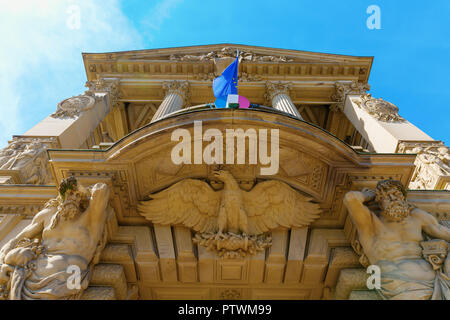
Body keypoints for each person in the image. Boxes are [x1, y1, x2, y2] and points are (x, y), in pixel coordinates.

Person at [0, 177, 110, 299]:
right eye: (69, 193)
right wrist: (2, 263)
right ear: (61, 196)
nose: (73, 197)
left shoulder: (90, 219)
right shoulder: (48, 215)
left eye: (77, 195)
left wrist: (81, 189)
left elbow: (102, 190)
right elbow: (15, 240)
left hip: (70, 276)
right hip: (34, 274)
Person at [343, 180, 450, 299]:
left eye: (396, 194)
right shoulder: (371, 224)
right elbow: (350, 199)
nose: (393, 198)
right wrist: (368, 195)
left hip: (436, 282)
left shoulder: (417, 216)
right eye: (387, 196)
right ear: (379, 200)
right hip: (399, 285)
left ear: (403, 197)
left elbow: (443, 232)